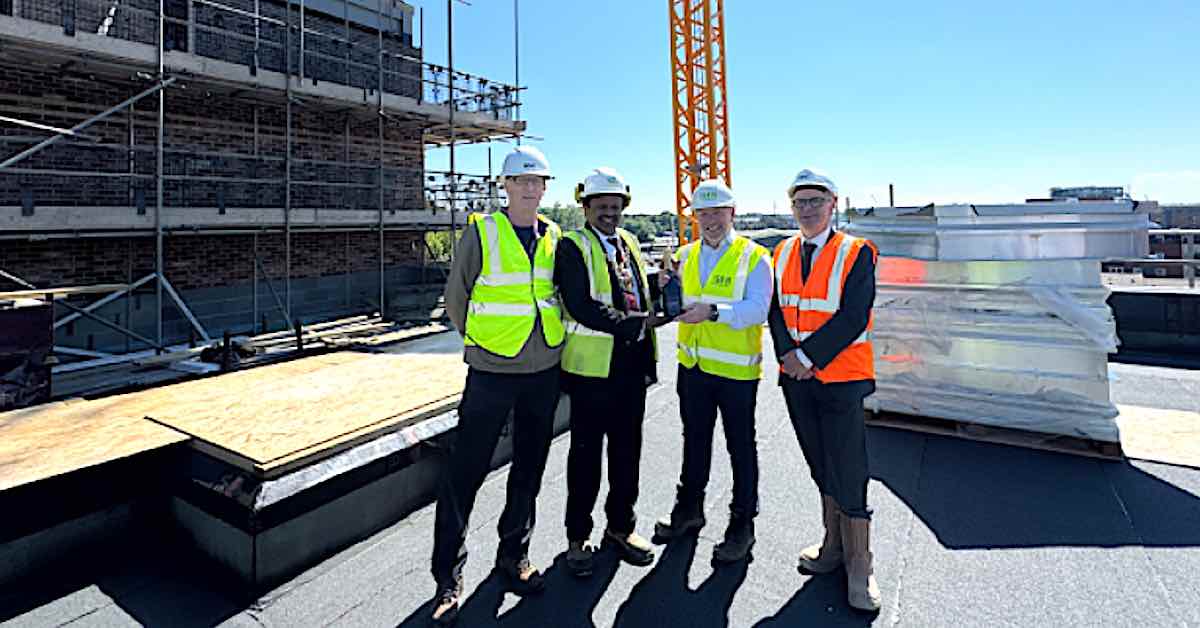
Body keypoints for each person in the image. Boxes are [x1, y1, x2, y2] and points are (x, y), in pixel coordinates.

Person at [430, 145, 564, 626]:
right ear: (505, 187)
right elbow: (456, 297)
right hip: (490, 372)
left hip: (543, 371)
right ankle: (447, 577)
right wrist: (482, 343)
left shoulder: (553, 234)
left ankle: (514, 556)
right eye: (521, 181)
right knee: (465, 472)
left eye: (538, 182)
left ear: (546, 188)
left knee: (529, 470)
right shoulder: (481, 232)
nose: (530, 188)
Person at [767, 169, 881, 612]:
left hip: (840, 378)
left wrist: (807, 357)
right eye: (800, 202)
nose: (807, 209)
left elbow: (854, 315)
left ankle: (860, 565)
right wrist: (787, 356)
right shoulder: (782, 251)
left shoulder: (857, 252)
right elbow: (775, 309)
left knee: (850, 467)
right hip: (797, 380)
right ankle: (832, 547)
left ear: (833, 204)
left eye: (816, 201)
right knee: (819, 463)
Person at [653, 179, 772, 564]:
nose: (710, 220)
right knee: (694, 441)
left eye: (717, 212)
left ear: (732, 213)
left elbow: (759, 310)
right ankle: (689, 510)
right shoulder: (683, 256)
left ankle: (742, 526)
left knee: (741, 448)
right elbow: (674, 303)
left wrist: (714, 312)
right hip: (694, 367)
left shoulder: (754, 256)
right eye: (702, 213)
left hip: (737, 374)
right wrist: (662, 289)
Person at [555, 167, 660, 577]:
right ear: (585, 207)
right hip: (590, 372)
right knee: (585, 458)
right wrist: (635, 323)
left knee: (626, 452)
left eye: (615, 207)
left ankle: (621, 527)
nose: (609, 213)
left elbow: (633, 288)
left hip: (630, 368)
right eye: (601, 207)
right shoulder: (572, 246)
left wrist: (661, 282)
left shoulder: (630, 242)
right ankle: (577, 538)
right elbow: (580, 304)